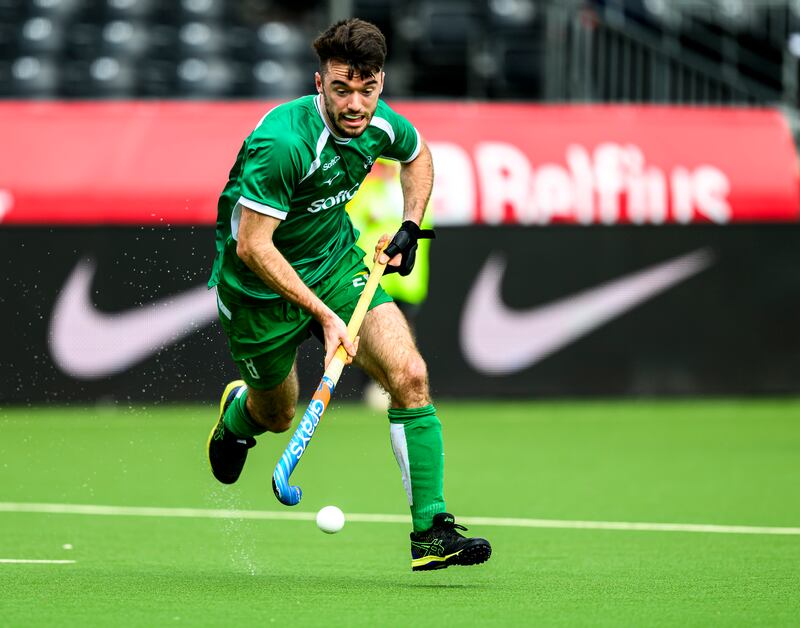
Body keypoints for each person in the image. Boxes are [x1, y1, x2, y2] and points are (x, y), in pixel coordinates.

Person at [206, 18, 491, 571]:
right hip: (258, 290)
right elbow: (253, 246)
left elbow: (419, 155)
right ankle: (239, 417)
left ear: (381, 82)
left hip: (336, 263)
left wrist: (410, 225)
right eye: (342, 89)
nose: (356, 105)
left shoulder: (380, 124)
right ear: (320, 84)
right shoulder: (284, 142)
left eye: (368, 89)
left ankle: (431, 531)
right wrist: (322, 316)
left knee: (408, 374)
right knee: (279, 413)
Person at [346, 157, 434, 408]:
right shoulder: (366, 191)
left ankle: (408, 387)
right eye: (380, 165)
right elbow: (352, 223)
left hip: (406, 280)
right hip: (373, 274)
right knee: (370, 329)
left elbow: (422, 224)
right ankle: (376, 388)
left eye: (387, 165)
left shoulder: (409, 194)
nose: (382, 170)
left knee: (403, 331)